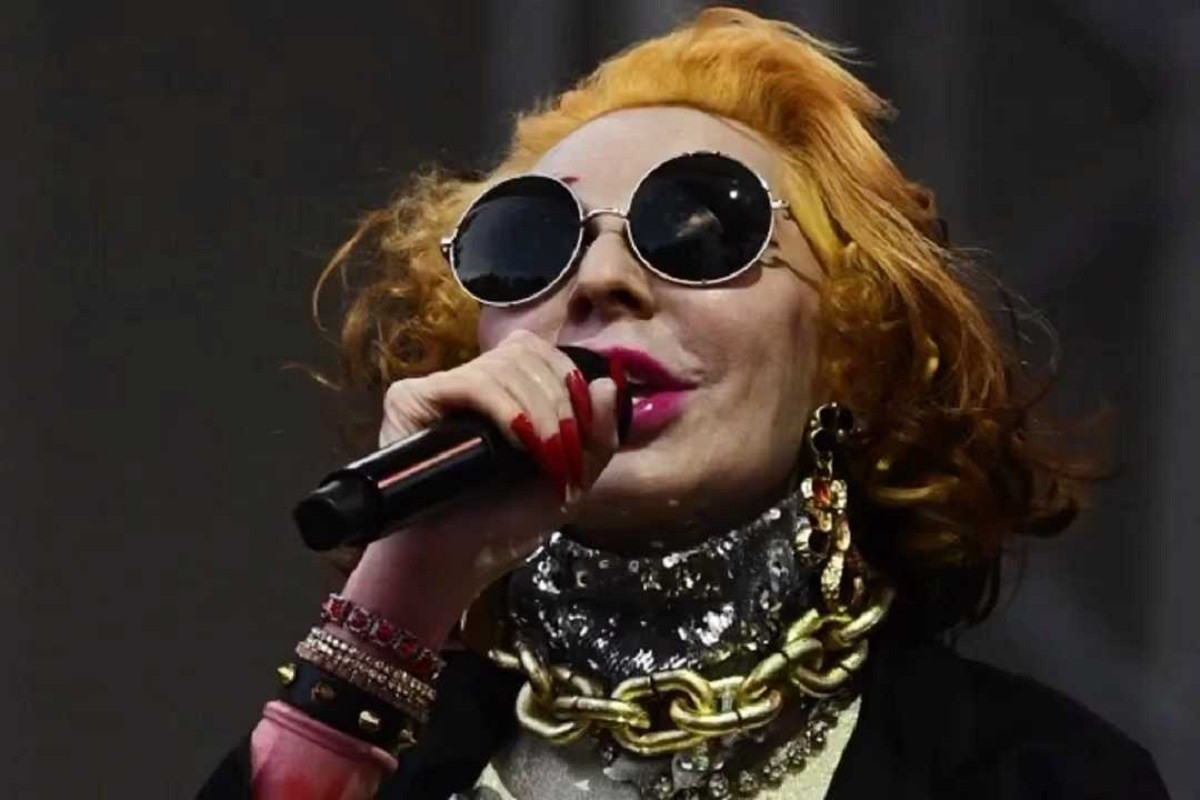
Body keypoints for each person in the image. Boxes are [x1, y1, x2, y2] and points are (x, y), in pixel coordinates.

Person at [197, 8, 1169, 799]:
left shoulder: (1041, 774)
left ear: (850, 347)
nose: (600, 280)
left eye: (698, 232)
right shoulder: (393, 766)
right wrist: (396, 603)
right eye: (529, 245)